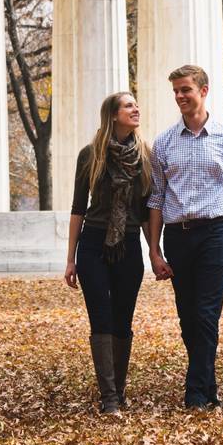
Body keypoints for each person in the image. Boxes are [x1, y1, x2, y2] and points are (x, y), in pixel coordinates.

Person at [147, 64, 223, 410]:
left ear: (203, 91)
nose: (179, 96)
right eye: (176, 91)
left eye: (185, 90)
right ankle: (208, 386)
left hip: (215, 235)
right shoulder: (162, 143)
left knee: (207, 314)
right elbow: (157, 200)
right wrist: (154, 250)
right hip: (178, 237)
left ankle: (194, 393)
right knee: (188, 317)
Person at [64, 92, 152, 415]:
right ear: (113, 115)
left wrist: (155, 252)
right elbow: (77, 209)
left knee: (123, 320)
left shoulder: (145, 156)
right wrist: (70, 258)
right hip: (93, 245)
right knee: (100, 318)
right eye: (129, 106)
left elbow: (145, 212)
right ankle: (109, 397)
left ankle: (120, 389)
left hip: (129, 245)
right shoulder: (90, 156)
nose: (136, 109)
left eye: (136, 105)